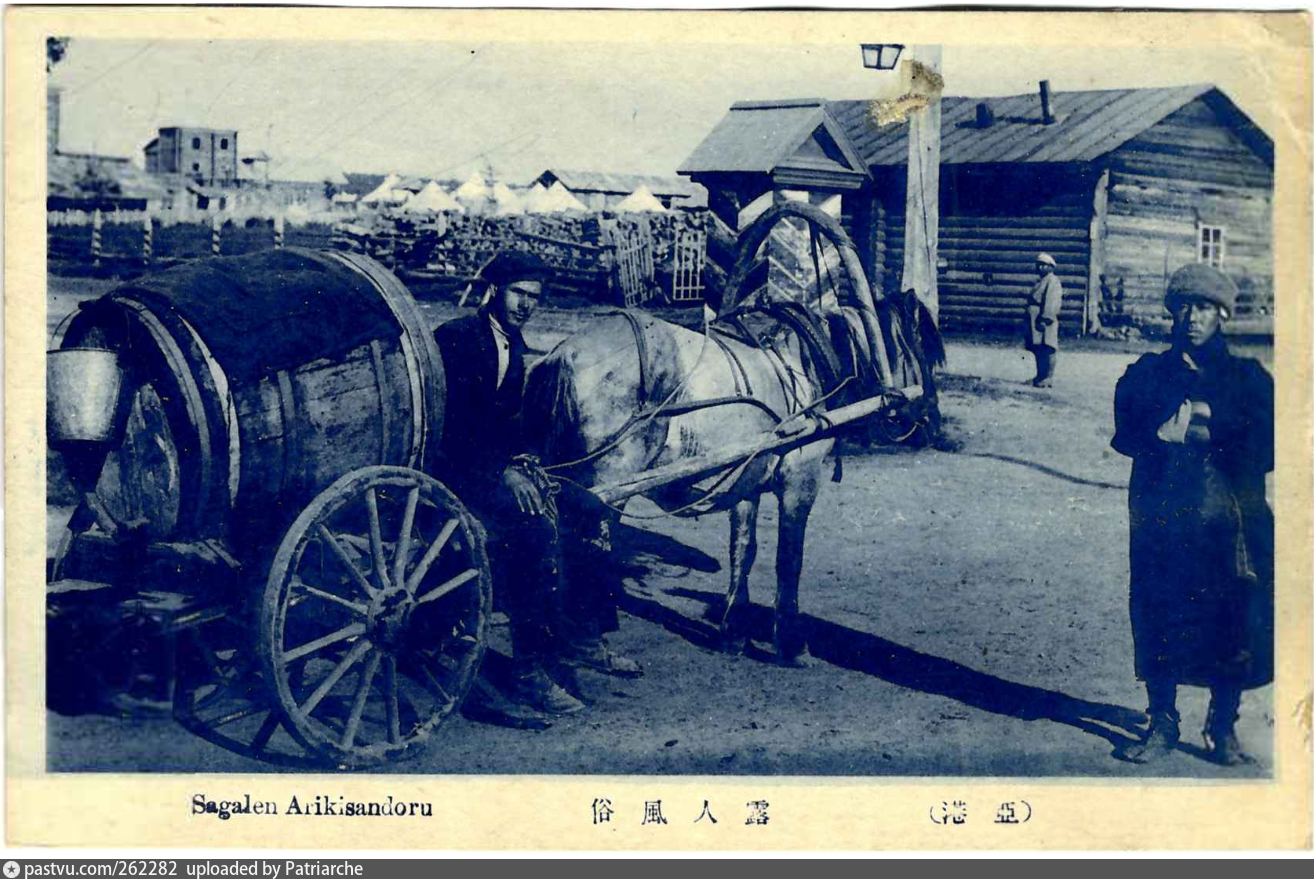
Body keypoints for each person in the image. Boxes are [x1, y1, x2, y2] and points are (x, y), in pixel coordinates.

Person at [432, 250, 640, 717]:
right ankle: (529, 671)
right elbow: (452, 425)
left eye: (534, 298)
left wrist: (525, 460)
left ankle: (584, 635)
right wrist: (503, 472)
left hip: (495, 466)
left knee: (590, 511)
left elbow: (507, 424)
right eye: (519, 294)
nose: (526, 304)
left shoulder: (516, 344)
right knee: (535, 532)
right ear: (495, 291)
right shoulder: (459, 338)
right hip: (455, 471)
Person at [1110, 263, 1273, 766]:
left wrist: (1209, 428)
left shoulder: (1247, 380)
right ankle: (1162, 721)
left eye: (1203, 308)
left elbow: (1267, 446)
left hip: (1232, 520)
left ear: (1221, 315)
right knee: (1160, 609)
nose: (1192, 318)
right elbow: (1130, 434)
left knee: (1234, 614)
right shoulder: (1148, 375)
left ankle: (1222, 724)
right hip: (1165, 517)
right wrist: (1163, 433)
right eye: (1184, 307)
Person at [1025, 253, 1064, 387]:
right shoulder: (1041, 281)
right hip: (1035, 319)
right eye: (1038, 265)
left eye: (1044, 265)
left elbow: (1052, 302)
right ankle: (1040, 376)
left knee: (1048, 347)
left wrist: (1046, 319)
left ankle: (1048, 377)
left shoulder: (1052, 281)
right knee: (1038, 348)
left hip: (1045, 320)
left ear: (1051, 267)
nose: (1040, 267)